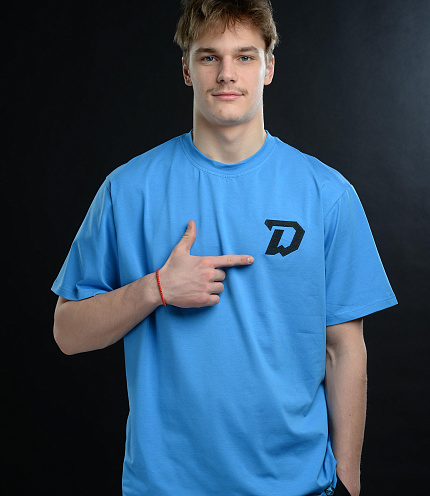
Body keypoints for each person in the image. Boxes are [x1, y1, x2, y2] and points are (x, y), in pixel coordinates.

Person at [52, 1, 397, 495]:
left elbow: (342, 349)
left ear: (269, 67)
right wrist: (156, 290)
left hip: (297, 486)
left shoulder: (327, 193)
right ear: (186, 70)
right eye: (209, 56)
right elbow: (67, 333)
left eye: (245, 56)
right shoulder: (128, 190)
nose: (227, 74)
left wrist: (349, 482)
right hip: (167, 487)